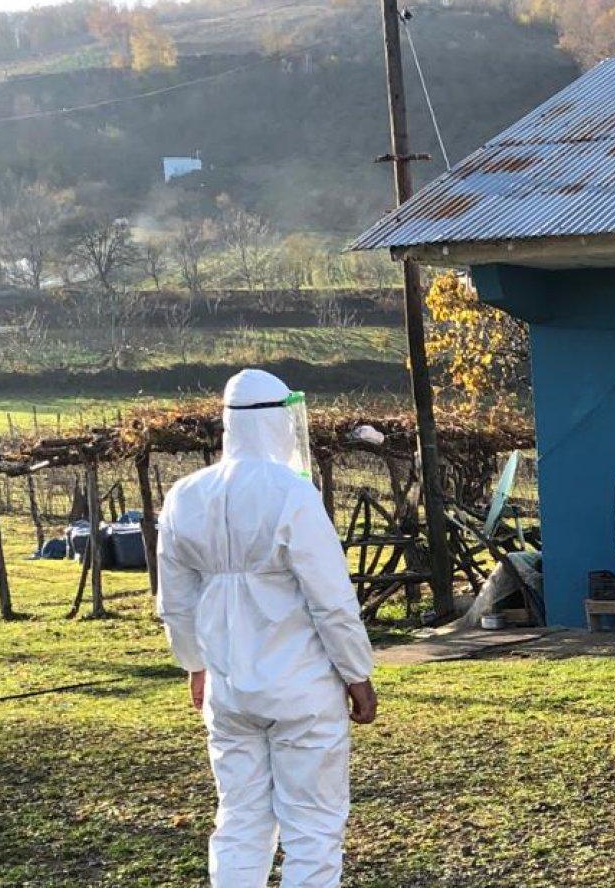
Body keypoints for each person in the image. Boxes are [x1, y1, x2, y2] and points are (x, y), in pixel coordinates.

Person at [156, 369, 377, 888]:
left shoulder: (186, 496)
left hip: (229, 690)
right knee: (313, 825)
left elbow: (176, 603)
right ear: (280, 420)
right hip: (301, 689)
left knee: (239, 819)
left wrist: (195, 664)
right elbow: (331, 600)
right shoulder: (292, 495)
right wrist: (356, 673)